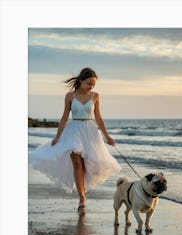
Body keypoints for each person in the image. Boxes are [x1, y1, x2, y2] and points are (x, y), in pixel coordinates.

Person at [29, 67, 122, 215]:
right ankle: (82, 199)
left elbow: (98, 118)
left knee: (89, 164)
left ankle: (82, 190)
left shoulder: (96, 96)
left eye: (93, 84)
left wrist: (107, 136)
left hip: (90, 132)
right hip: (73, 131)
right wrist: (57, 137)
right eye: (88, 84)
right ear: (80, 80)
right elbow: (64, 117)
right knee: (77, 163)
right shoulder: (70, 96)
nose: (91, 87)